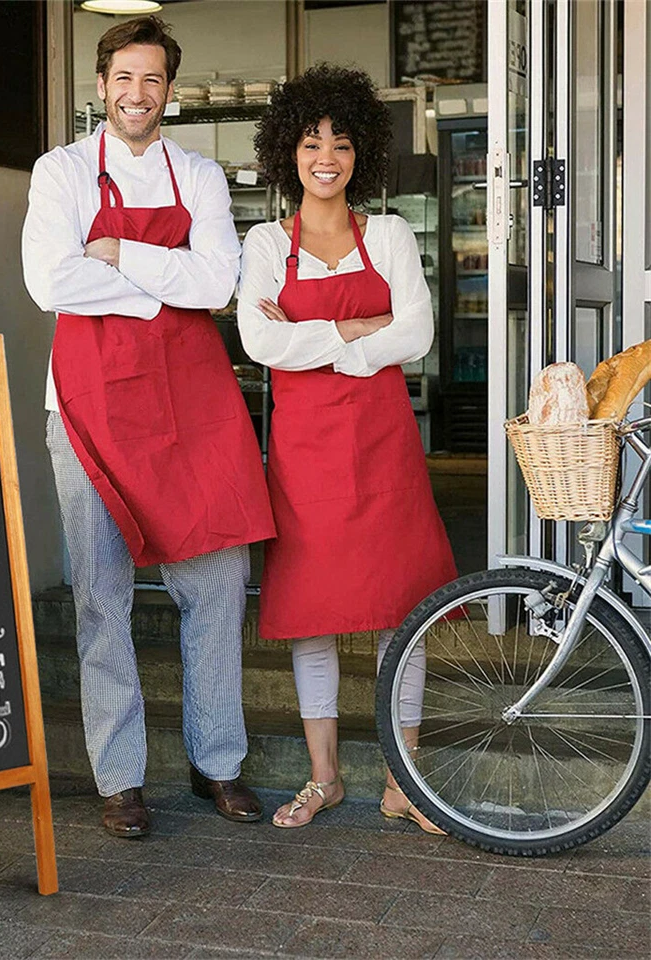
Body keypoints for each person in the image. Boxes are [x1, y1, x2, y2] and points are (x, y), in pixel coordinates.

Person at [23, 16, 275, 839]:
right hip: (89, 407)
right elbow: (47, 283)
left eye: (153, 80)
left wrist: (119, 257)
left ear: (169, 91)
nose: (138, 93)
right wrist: (159, 288)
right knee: (101, 599)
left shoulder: (197, 173)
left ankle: (219, 766)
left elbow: (215, 284)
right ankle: (121, 779)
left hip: (191, 407)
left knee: (216, 585)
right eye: (124, 78)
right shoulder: (59, 172)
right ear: (102, 86)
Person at [236, 65, 457, 832]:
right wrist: (358, 331)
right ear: (285, 151)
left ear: (360, 150)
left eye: (339, 139)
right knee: (313, 613)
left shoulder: (389, 232)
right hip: (305, 454)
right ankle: (324, 778)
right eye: (309, 139)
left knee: (404, 607)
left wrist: (317, 341)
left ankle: (405, 782)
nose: (324, 154)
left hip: (383, 445)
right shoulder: (266, 242)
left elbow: (418, 332)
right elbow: (258, 339)